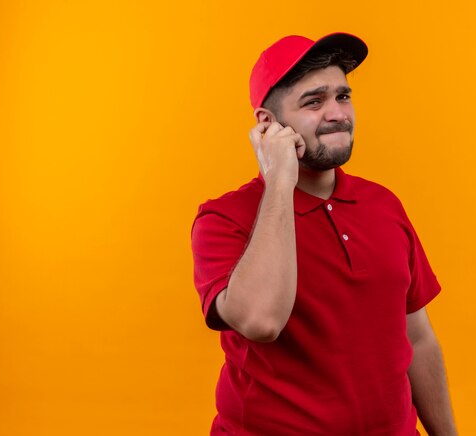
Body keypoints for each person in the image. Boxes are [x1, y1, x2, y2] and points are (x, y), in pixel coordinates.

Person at [191, 32, 457, 436]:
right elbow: (262, 321)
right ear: (267, 124)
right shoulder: (223, 219)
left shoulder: (383, 204)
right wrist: (279, 180)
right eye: (314, 102)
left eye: (343, 96)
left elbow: (417, 339)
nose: (337, 114)